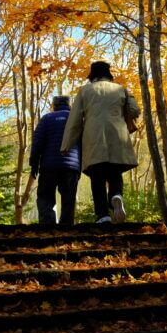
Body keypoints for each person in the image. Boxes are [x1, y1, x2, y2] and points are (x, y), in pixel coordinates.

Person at [61, 61, 140, 223]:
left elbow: (74, 120)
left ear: (92, 76)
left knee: (97, 175)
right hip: (117, 135)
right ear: (108, 74)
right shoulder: (120, 89)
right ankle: (116, 195)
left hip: (93, 136)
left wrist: (66, 144)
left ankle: (103, 214)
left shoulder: (85, 91)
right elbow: (134, 111)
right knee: (114, 171)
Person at [29, 95, 81, 225]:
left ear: (54, 105)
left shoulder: (46, 119)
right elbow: (84, 143)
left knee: (45, 196)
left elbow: (37, 143)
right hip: (71, 167)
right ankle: (67, 228)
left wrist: (34, 164)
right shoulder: (76, 120)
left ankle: (48, 225)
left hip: (48, 166)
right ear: (69, 105)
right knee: (69, 198)